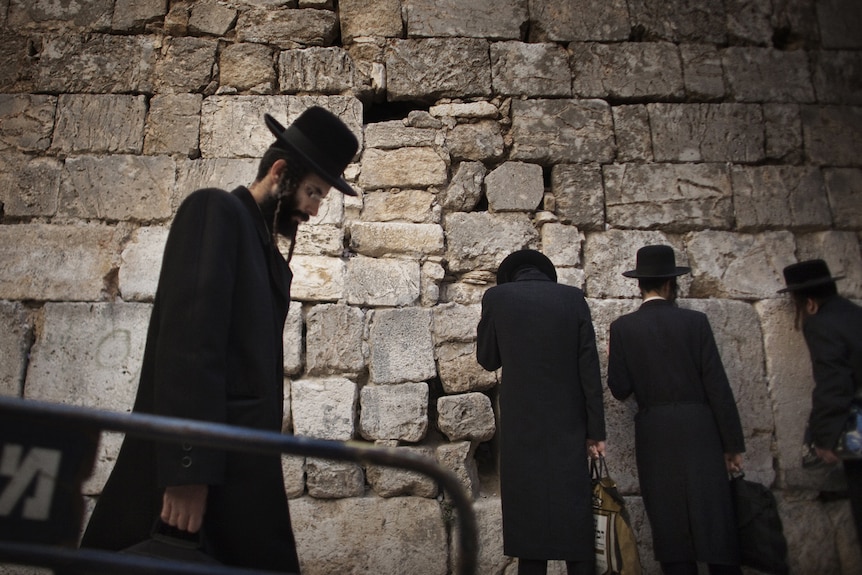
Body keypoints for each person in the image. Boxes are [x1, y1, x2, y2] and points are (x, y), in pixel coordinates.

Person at [79, 106, 359, 572]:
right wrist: (188, 473)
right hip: (201, 472)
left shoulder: (260, 242)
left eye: (321, 197)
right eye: (313, 192)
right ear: (279, 172)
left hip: (241, 466)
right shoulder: (216, 212)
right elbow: (191, 348)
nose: (314, 208)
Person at [606, 245, 745, 575]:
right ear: (671, 284)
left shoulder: (623, 328)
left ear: (640, 285)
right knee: (715, 521)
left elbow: (620, 389)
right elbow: (717, 387)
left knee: (670, 525)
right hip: (701, 429)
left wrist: (614, 355)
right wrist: (732, 444)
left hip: (656, 434)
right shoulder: (695, 322)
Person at [476, 249, 606, 575]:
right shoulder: (573, 299)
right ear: (546, 274)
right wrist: (596, 432)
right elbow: (589, 371)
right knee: (575, 523)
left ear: (511, 275)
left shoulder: (497, 298)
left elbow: (488, 359)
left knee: (529, 526)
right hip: (569, 426)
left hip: (522, 428)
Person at [779, 259, 862, 548]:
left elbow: (834, 385)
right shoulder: (855, 314)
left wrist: (824, 438)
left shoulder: (820, 324)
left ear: (809, 302)